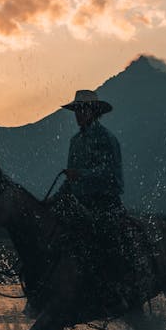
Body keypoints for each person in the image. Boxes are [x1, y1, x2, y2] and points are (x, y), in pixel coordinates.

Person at [51, 89, 132, 310]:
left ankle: (118, 290)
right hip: (80, 202)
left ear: (94, 112)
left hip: (106, 201)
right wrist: (52, 201)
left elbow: (111, 172)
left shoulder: (107, 138)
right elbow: (70, 178)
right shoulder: (74, 141)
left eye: (82, 109)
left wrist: (82, 175)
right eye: (76, 110)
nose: (78, 114)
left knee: (106, 237)